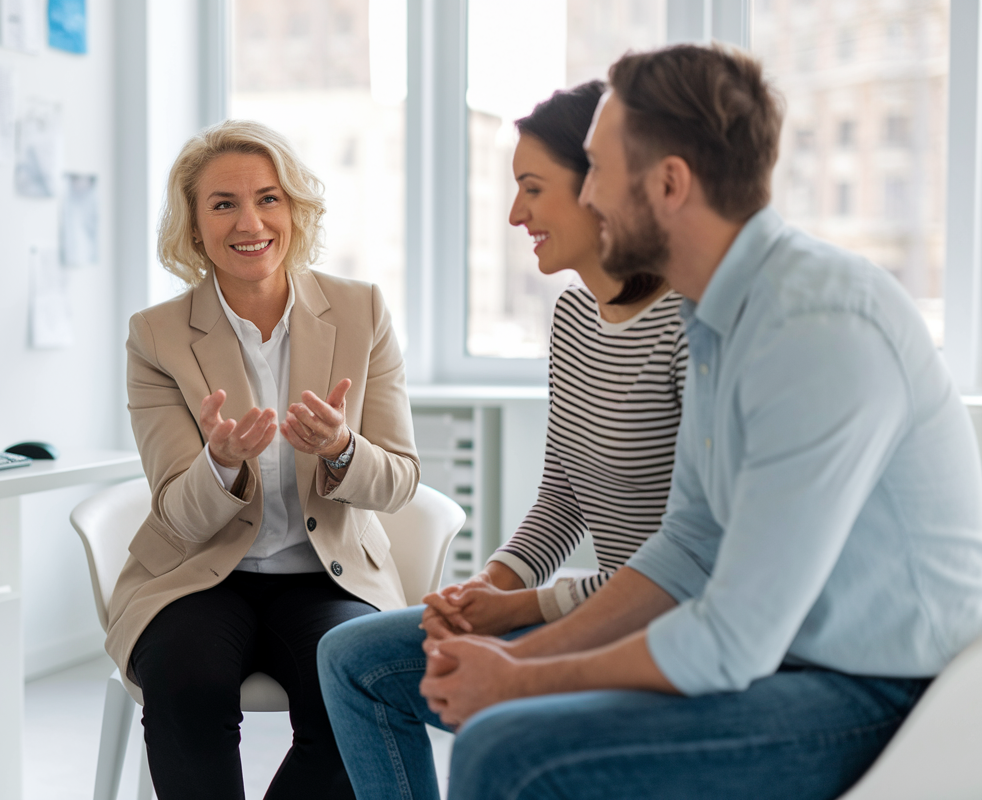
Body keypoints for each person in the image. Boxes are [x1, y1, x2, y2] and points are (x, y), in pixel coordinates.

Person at [408, 44, 982, 800]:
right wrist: (520, 659)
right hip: (790, 664)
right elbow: (686, 547)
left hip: (892, 694)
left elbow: (730, 638)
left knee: (511, 750)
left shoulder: (815, 324)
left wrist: (524, 678)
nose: (590, 198)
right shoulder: (716, 317)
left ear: (670, 183)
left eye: (599, 171)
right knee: (500, 726)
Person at [318, 81, 689, 800]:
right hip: (590, 613)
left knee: (490, 733)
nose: (516, 214)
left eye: (532, 188)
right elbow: (562, 499)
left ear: (601, 186)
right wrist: (488, 586)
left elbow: (686, 559)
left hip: (661, 628)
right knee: (351, 657)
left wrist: (525, 609)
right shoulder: (576, 320)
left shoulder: (689, 326)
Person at [103, 119, 419, 800]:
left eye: (269, 198)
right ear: (194, 227)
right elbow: (177, 516)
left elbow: (399, 480)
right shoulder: (156, 337)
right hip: (199, 575)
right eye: (223, 204)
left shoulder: (362, 312)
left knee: (358, 691)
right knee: (185, 682)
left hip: (325, 577)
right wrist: (218, 463)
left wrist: (340, 449)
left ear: (295, 210)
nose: (250, 221)